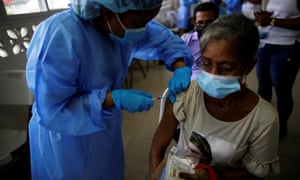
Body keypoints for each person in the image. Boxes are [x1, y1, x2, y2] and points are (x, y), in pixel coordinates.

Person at [25, 0, 194, 179]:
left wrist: (180, 68)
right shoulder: (59, 35)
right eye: (139, 24)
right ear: (107, 12)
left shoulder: (123, 20)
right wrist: (114, 99)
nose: (144, 30)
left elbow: (165, 41)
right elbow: (54, 110)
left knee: (105, 170)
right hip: (65, 137)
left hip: (103, 127)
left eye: (147, 21)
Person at [150, 14, 280, 180]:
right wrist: (155, 173)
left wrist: (213, 176)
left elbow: (256, 174)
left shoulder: (264, 119)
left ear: (249, 66)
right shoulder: (187, 94)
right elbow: (158, 146)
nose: (213, 75)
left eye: (226, 68)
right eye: (207, 63)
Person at [254, 0, 300, 139]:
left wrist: (272, 21)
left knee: (282, 91)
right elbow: (274, 16)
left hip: (286, 48)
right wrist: (263, 17)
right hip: (265, 45)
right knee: (263, 89)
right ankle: (263, 124)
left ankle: (281, 127)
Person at [181, 2, 219, 80]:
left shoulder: (224, 42)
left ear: (217, 21)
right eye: (200, 22)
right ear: (194, 23)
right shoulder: (187, 40)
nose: (204, 25)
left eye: (209, 22)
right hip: (193, 83)